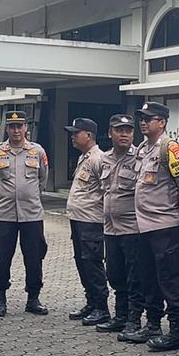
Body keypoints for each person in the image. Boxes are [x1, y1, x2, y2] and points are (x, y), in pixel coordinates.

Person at [130, 102, 179, 350]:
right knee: (148, 278)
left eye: (149, 119)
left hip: (166, 225)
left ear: (163, 122)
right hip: (144, 226)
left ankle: (176, 330)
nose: (143, 123)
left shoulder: (171, 148)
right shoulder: (142, 149)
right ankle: (153, 324)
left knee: (170, 279)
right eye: (142, 119)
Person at [0, 111, 49, 317]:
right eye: (12, 126)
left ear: (26, 128)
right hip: (5, 215)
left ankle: (33, 299)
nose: (15, 130)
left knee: (34, 258)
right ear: (6, 128)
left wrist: (29, 197)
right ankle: (0, 300)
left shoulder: (37, 151)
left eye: (19, 126)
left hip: (31, 215)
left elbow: (42, 180)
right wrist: (5, 198)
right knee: (2, 258)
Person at [97, 114, 143, 336]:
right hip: (110, 228)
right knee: (114, 274)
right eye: (119, 130)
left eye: (128, 130)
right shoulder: (104, 159)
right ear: (110, 133)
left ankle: (134, 319)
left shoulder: (139, 159)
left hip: (132, 229)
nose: (124, 134)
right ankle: (120, 315)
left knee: (134, 276)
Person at [65, 117, 110, 327]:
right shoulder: (84, 158)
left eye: (76, 133)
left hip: (91, 221)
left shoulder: (99, 159)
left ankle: (101, 307)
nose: (73, 137)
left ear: (89, 135)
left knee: (92, 263)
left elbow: (106, 190)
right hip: (78, 219)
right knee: (82, 262)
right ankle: (91, 302)